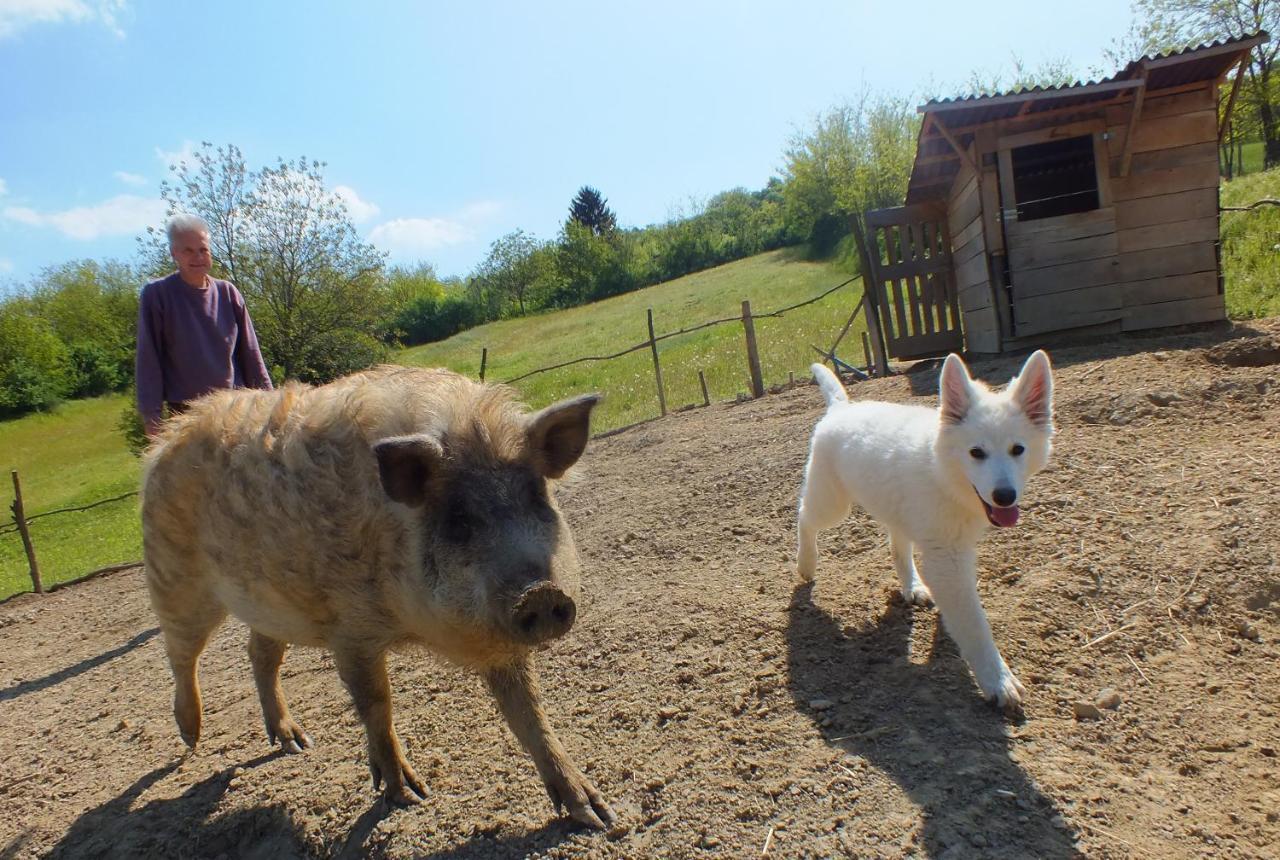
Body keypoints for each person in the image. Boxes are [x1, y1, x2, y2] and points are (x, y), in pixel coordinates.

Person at [135, 214, 273, 437]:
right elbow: (148, 360)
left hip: (235, 410)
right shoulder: (157, 295)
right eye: (188, 250)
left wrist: (270, 403)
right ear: (174, 254)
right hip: (188, 416)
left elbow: (251, 354)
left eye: (203, 249)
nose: (198, 257)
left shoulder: (228, 293)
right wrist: (152, 417)